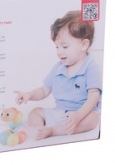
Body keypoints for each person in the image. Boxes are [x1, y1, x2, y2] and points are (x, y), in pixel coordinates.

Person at [14, 10, 101, 139]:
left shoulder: (91, 67)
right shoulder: (58, 68)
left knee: (93, 119)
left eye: (64, 47)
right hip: (58, 112)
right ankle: (40, 130)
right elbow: (44, 91)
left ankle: (54, 131)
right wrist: (29, 94)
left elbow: (93, 96)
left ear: (83, 45)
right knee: (35, 112)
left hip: (80, 115)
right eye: (57, 47)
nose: (59, 52)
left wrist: (78, 115)